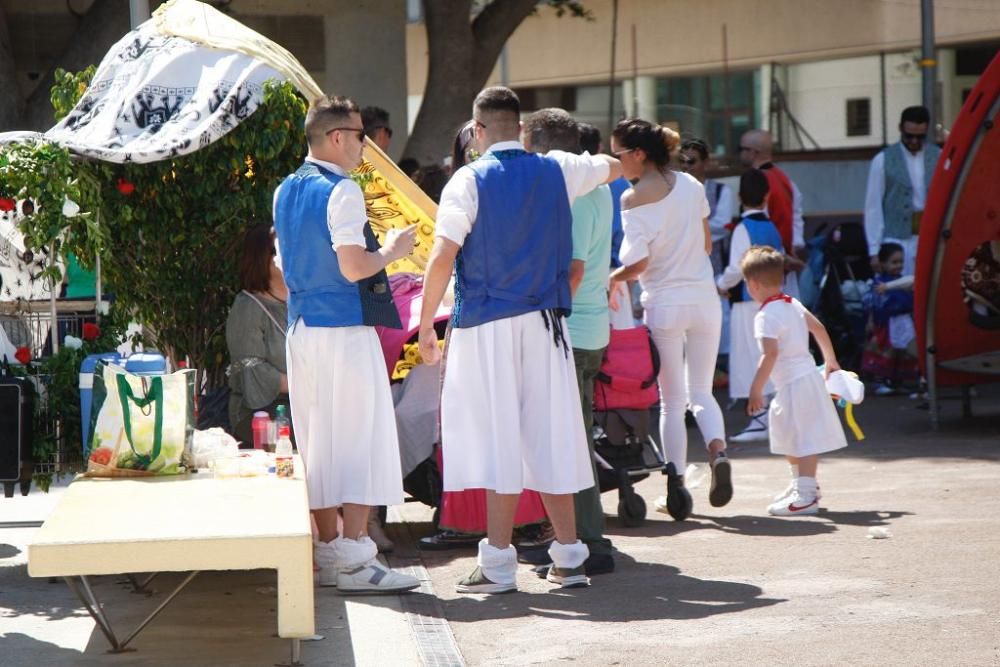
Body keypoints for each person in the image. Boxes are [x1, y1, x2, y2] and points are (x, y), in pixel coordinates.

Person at [417, 86, 622, 594]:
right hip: (546, 324)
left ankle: (498, 564)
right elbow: (613, 167)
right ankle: (570, 559)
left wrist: (424, 326)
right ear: (522, 126)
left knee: (496, 439)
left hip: (485, 323)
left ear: (478, 130)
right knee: (552, 434)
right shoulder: (558, 169)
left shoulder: (467, 179)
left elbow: (443, 254)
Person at [272, 95, 419, 593]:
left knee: (319, 443)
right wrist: (394, 250)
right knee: (359, 439)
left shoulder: (285, 189)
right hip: (344, 329)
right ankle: (356, 559)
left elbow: (283, 271)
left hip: (303, 328)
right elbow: (354, 266)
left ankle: (332, 553)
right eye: (359, 136)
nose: (365, 146)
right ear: (337, 137)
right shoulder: (342, 189)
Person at [418, 119, 551, 552]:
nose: (475, 153)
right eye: (467, 149)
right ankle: (475, 523)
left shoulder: (482, 189)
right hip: (476, 316)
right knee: (472, 424)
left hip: (486, 317)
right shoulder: (467, 189)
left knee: (499, 422)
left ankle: (520, 526)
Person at [608, 118, 732, 522]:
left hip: (664, 301)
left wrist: (613, 278)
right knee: (703, 392)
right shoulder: (692, 185)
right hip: (704, 297)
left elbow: (638, 261)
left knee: (672, 401)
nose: (617, 162)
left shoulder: (632, 199)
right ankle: (718, 452)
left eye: (619, 154)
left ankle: (676, 485)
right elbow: (708, 242)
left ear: (638, 154)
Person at [519, 110, 615, 576]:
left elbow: (573, 270)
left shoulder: (574, 193)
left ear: (540, 145)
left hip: (571, 330)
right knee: (574, 437)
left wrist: (548, 318)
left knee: (567, 442)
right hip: (591, 327)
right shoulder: (596, 187)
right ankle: (575, 536)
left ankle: (584, 540)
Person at [742, 246, 847, 516]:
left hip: (795, 384)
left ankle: (807, 494)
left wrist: (755, 389)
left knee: (802, 438)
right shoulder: (791, 303)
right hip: (802, 380)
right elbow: (819, 328)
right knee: (790, 435)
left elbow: (770, 354)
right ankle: (801, 484)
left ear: (752, 284)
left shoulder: (765, 316)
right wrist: (831, 359)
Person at [716, 170, 785, 442]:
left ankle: (759, 419)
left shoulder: (742, 229)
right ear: (768, 196)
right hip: (771, 300)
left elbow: (737, 267)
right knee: (769, 356)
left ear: (739, 197)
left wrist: (720, 284)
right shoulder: (772, 227)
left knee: (749, 358)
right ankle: (770, 417)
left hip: (747, 300)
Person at [226, 224, 290, 448]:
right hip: (261, 415)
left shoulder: (303, 303)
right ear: (262, 259)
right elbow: (253, 372)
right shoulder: (248, 307)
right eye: (280, 249)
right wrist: (308, 386)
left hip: (305, 405)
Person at [864, 106, 941, 277]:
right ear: (900, 129)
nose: (914, 141)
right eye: (909, 136)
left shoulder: (939, 157)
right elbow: (873, 206)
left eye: (920, 137)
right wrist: (874, 249)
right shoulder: (882, 160)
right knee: (897, 293)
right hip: (895, 238)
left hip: (930, 236)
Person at [738, 129, 806, 297]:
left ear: (753, 152)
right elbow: (797, 215)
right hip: (784, 262)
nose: (739, 154)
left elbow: (759, 223)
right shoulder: (784, 178)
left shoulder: (757, 182)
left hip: (766, 268)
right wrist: (794, 247)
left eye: (741, 149)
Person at [861, 242, 918, 394]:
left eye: (901, 262)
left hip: (903, 322)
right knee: (885, 352)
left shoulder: (904, 281)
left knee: (903, 351)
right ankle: (881, 380)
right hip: (885, 324)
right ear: (883, 263)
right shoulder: (879, 283)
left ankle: (898, 380)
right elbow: (873, 303)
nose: (898, 265)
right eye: (894, 262)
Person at [680, 138, 733, 276]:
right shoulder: (674, 192)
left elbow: (723, 226)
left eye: (691, 161)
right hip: (683, 271)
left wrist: (688, 227)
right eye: (682, 161)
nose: (686, 166)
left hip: (716, 270)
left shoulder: (721, 191)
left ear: (705, 162)